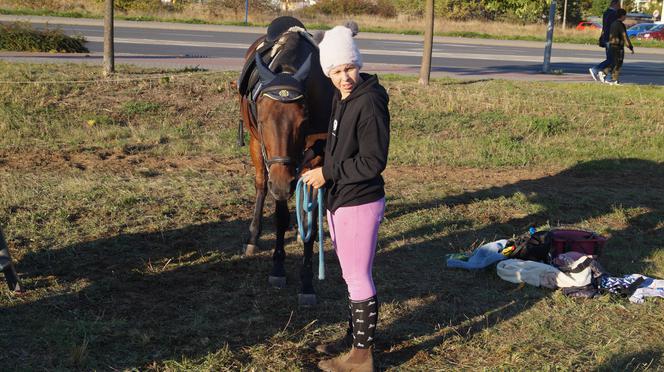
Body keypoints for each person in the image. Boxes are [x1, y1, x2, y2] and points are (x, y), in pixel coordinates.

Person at [301, 25, 390, 372]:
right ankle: (356, 341)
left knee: (357, 277)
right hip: (344, 198)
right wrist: (319, 152)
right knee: (353, 276)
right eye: (336, 71)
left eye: (349, 67)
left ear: (358, 63)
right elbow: (342, 146)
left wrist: (328, 173)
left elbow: (373, 160)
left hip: (359, 200)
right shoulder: (344, 98)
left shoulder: (368, 102)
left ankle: (361, 357)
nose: (345, 77)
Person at [589, 0, 620, 82]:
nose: (619, 6)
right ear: (614, 4)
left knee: (611, 59)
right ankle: (596, 70)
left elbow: (605, 27)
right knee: (612, 59)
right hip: (611, 39)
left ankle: (607, 77)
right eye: (618, 4)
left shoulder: (606, 12)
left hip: (606, 38)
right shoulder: (614, 14)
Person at [601, 9, 634, 85]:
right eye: (625, 15)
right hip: (618, 47)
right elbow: (624, 36)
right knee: (618, 63)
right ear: (622, 16)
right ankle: (604, 72)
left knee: (616, 63)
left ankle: (614, 80)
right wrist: (630, 46)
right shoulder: (620, 25)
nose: (625, 17)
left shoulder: (613, 23)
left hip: (612, 45)